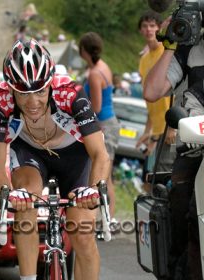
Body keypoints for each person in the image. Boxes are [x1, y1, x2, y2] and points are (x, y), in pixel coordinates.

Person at [0, 39, 110, 280]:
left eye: (41, 91)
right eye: (23, 94)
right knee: (25, 198)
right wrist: (6, 192)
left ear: (51, 84)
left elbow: (100, 154)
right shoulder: (0, 100)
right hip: (30, 153)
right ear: (11, 88)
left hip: (74, 155)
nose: (33, 103)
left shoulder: (71, 93)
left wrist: (93, 190)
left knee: (82, 232)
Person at [142, 2, 204, 279]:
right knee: (184, 203)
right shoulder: (192, 49)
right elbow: (153, 91)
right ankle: (182, 268)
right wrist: (171, 43)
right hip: (201, 150)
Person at [78, 31, 119, 223]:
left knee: (104, 172)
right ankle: (107, 216)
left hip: (103, 125)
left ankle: (107, 217)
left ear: (84, 51)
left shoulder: (94, 74)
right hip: (109, 122)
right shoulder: (104, 66)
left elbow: (95, 106)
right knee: (106, 173)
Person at [135, 10, 176, 175]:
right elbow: (150, 99)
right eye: (145, 26)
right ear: (140, 31)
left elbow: (177, 90)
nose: (149, 30)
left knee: (164, 175)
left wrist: (173, 127)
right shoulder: (144, 59)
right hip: (158, 129)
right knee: (151, 176)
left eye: (152, 26)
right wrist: (147, 131)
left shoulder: (167, 53)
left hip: (171, 127)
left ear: (160, 28)